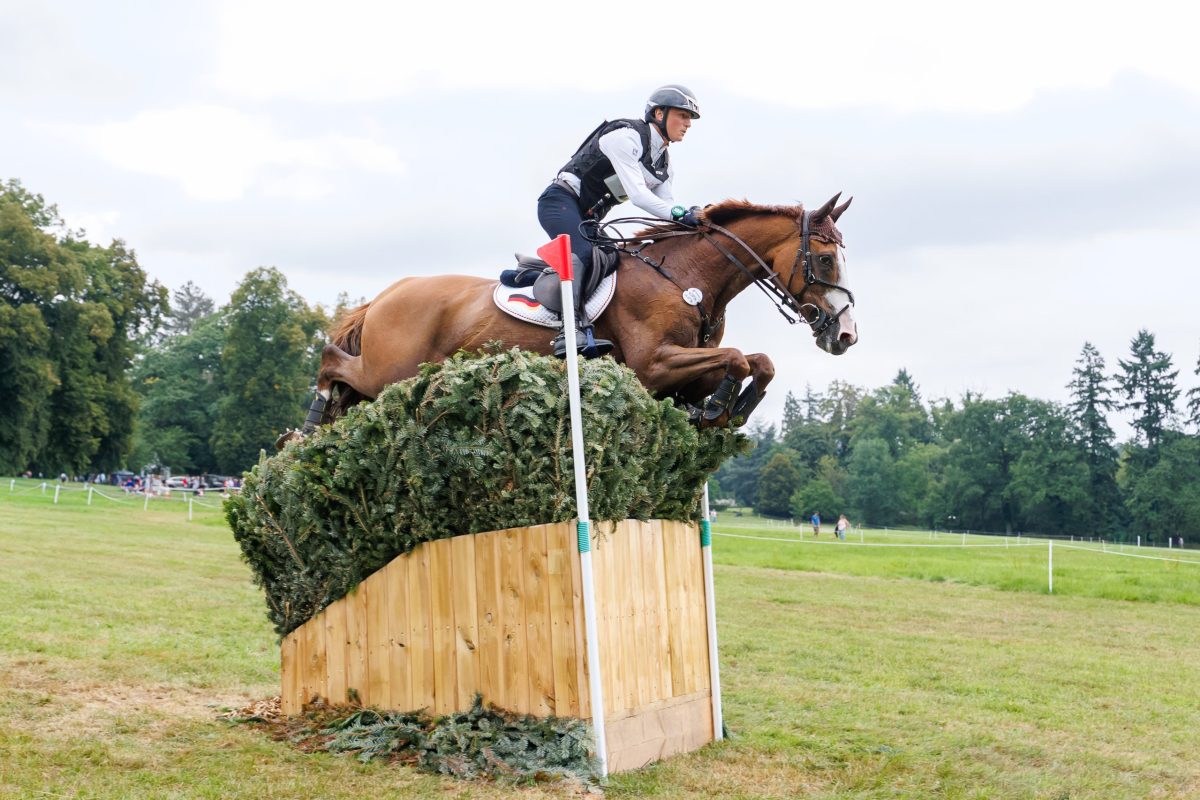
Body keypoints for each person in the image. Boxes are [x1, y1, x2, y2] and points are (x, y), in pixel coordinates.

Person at [537, 84, 702, 357]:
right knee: (584, 255)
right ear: (659, 113)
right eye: (682, 115)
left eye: (690, 119)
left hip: (588, 218)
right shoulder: (625, 137)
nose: (687, 124)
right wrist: (682, 215)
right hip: (559, 202)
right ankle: (569, 331)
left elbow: (667, 205)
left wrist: (694, 219)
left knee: (615, 259)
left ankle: (571, 302)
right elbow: (639, 197)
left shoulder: (663, 164)